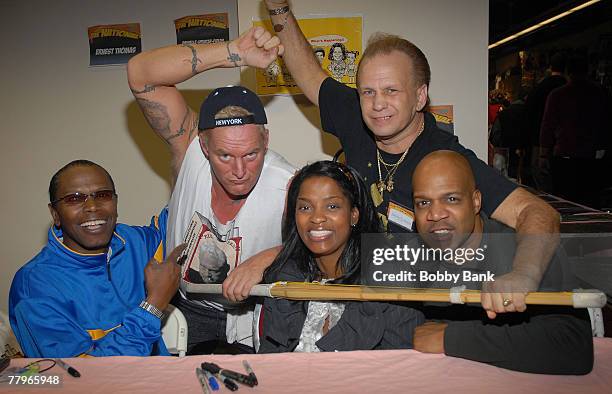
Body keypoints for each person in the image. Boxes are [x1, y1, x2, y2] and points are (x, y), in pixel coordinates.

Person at [256, 0, 560, 319]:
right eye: (368, 92)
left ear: (420, 96)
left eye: (391, 91)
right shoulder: (357, 117)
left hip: (428, 306)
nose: (377, 104)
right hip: (366, 296)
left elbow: (536, 212)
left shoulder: (444, 161)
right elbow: (309, 73)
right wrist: (279, 9)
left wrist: (523, 277)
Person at [127, 26, 296, 353]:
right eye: (224, 156)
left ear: (266, 140)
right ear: (203, 145)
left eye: (251, 154)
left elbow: (334, 247)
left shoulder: (288, 182)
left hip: (254, 315)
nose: (239, 171)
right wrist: (234, 52)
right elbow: (140, 73)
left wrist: (268, 257)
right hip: (182, 309)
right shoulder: (187, 147)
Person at [408, 150, 593, 374]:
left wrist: (451, 339)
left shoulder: (526, 250)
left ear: (476, 201)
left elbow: (573, 345)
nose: (435, 214)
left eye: (451, 199)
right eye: (423, 202)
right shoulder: (410, 255)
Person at [9, 160, 184, 358]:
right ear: (55, 214)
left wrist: (180, 148)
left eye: (103, 195)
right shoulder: (35, 285)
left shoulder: (134, 243)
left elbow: (179, 215)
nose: (92, 207)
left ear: (116, 203)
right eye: (74, 199)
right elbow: (81, 376)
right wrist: (153, 306)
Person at [259, 161, 424, 353]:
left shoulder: (390, 279)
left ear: (354, 214)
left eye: (332, 206)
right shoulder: (286, 278)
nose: (317, 218)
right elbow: (268, 361)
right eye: (305, 207)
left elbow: (405, 368)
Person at [540, 52, 612, 208]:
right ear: (588, 70)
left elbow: (548, 125)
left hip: (564, 155)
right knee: (590, 202)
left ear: (567, 72)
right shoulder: (599, 93)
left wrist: (543, 153)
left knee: (565, 202)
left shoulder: (557, 95)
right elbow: (606, 124)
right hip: (591, 157)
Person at [525, 52, 567, 191]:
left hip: (540, 144)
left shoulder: (540, 88)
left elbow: (530, 115)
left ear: (550, 67)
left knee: (543, 187)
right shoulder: (575, 90)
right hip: (571, 148)